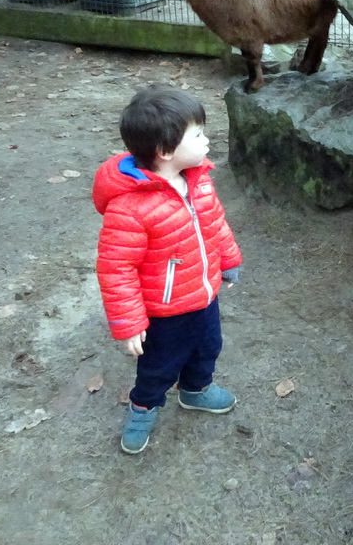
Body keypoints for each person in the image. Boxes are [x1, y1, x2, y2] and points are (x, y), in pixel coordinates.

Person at [92, 85, 243, 454]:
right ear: (164, 151)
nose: (208, 140)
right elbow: (116, 268)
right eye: (198, 134)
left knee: (208, 347)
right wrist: (128, 325)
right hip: (163, 310)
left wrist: (229, 258)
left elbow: (214, 223)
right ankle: (143, 407)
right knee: (159, 366)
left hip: (204, 294)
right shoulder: (128, 209)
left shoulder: (199, 179)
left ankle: (195, 389)